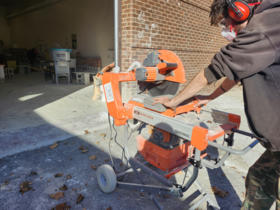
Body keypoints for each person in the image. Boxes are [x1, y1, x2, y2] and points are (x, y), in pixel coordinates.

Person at [153, 0, 280, 209]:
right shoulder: (268, 26)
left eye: (225, 22)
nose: (226, 30)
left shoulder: (263, 28)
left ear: (238, 11)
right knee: (259, 179)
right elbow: (238, 69)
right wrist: (210, 97)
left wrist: (174, 102)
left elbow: (211, 72)